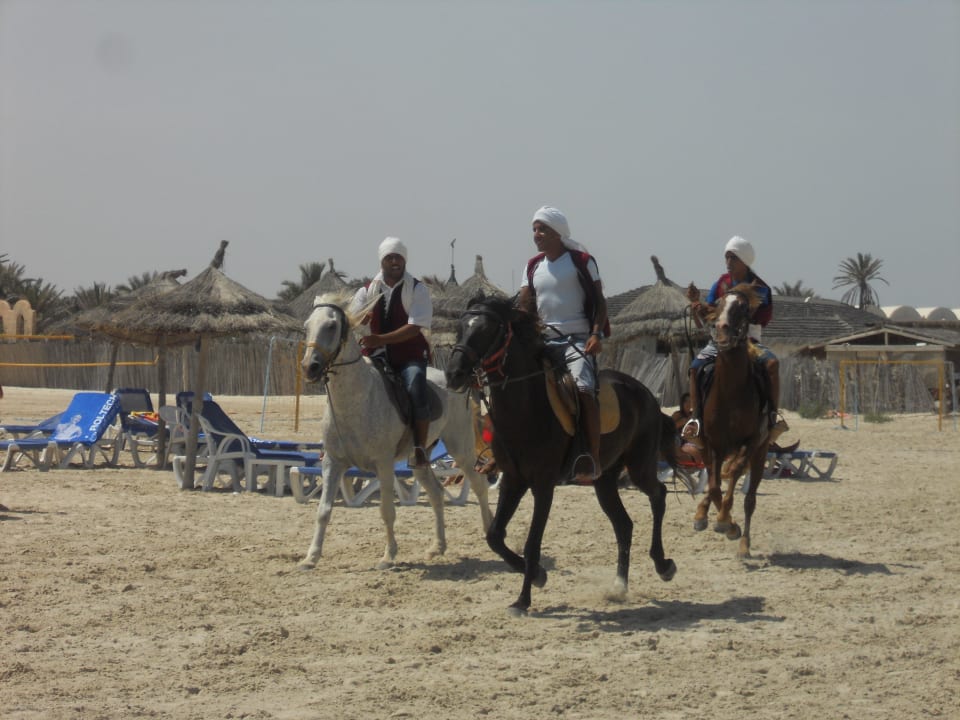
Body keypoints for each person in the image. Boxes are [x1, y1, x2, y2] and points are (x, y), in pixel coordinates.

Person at [518, 206, 609, 483]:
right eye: (534, 229)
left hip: (577, 339)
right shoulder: (533, 266)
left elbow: (600, 301)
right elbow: (524, 306)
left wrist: (596, 334)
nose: (537, 234)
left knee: (582, 388)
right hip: (544, 342)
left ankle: (591, 457)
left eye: (542, 229)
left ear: (558, 233)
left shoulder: (582, 260)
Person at [682, 235, 786, 443]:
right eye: (727, 258)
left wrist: (711, 307)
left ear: (744, 261)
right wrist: (696, 305)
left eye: (733, 259)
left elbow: (748, 314)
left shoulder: (760, 288)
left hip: (748, 341)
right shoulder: (721, 283)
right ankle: (696, 419)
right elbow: (708, 317)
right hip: (720, 339)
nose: (728, 263)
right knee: (695, 368)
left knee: (772, 364)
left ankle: (773, 417)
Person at [350, 236, 434, 467]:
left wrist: (379, 339)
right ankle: (337, 442)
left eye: (398, 257)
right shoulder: (366, 290)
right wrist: (360, 319)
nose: (394, 261)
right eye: (390, 257)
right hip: (375, 355)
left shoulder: (417, 289)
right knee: (347, 384)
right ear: (382, 261)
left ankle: (419, 447)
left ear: (404, 260)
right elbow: (351, 319)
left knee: (416, 386)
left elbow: (414, 328)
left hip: (409, 354)